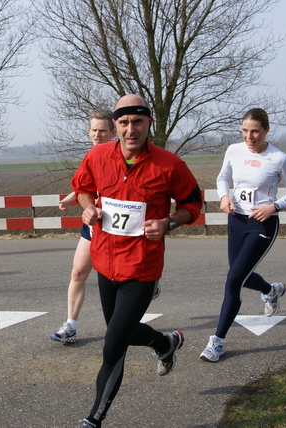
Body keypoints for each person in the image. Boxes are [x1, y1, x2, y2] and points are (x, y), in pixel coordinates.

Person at [73, 94, 203, 428]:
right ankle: (165, 342)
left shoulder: (169, 164)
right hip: (105, 263)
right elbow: (83, 188)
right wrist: (87, 207)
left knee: (113, 345)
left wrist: (168, 223)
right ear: (115, 125)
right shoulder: (98, 155)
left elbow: (193, 205)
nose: (131, 130)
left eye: (138, 122)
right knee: (123, 332)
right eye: (124, 122)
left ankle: (93, 420)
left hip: (142, 270)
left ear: (148, 123)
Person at [200, 108, 286, 363]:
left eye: (255, 131)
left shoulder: (279, 158)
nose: (249, 136)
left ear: (266, 130)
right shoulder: (234, 151)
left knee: (234, 279)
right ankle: (270, 290)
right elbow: (223, 178)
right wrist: (224, 197)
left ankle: (218, 341)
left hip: (262, 224)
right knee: (239, 274)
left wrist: (274, 206)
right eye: (245, 130)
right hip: (236, 219)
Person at [50, 108, 116, 344]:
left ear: (113, 131)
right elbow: (86, 185)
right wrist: (73, 196)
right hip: (93, 226)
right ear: (89, 131)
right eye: (94, 130)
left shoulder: (121, 155)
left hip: (119, 229)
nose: (97, 135)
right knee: (77, 272)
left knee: (121, 279)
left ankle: (148, 285)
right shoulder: (91, 155)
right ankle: (70, 326)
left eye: (102, 131)